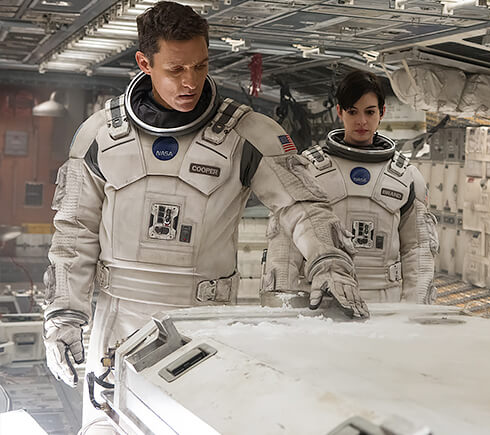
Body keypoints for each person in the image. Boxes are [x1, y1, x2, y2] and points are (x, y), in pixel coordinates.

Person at [41, 1, 367, 428]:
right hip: (117, 322)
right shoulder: (100, 135)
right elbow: (74, 232)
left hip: (203, 324)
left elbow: (302, 205)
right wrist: (64, 315)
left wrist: (329, 261)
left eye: (200, 66)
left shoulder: (248, 135)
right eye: (176, 69)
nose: (190, 81)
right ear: (144, 63)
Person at [263, 70, 438, 304]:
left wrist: (414, 313)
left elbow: (418, 250)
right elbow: (284, 248)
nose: (361, 121)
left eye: (370, 112)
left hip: (385, 305)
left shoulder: (408, 177)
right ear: (340, 112)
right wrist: (281, 308)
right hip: (322, 303)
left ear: (382, 112)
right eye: (353, 112)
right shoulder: (308, 169)